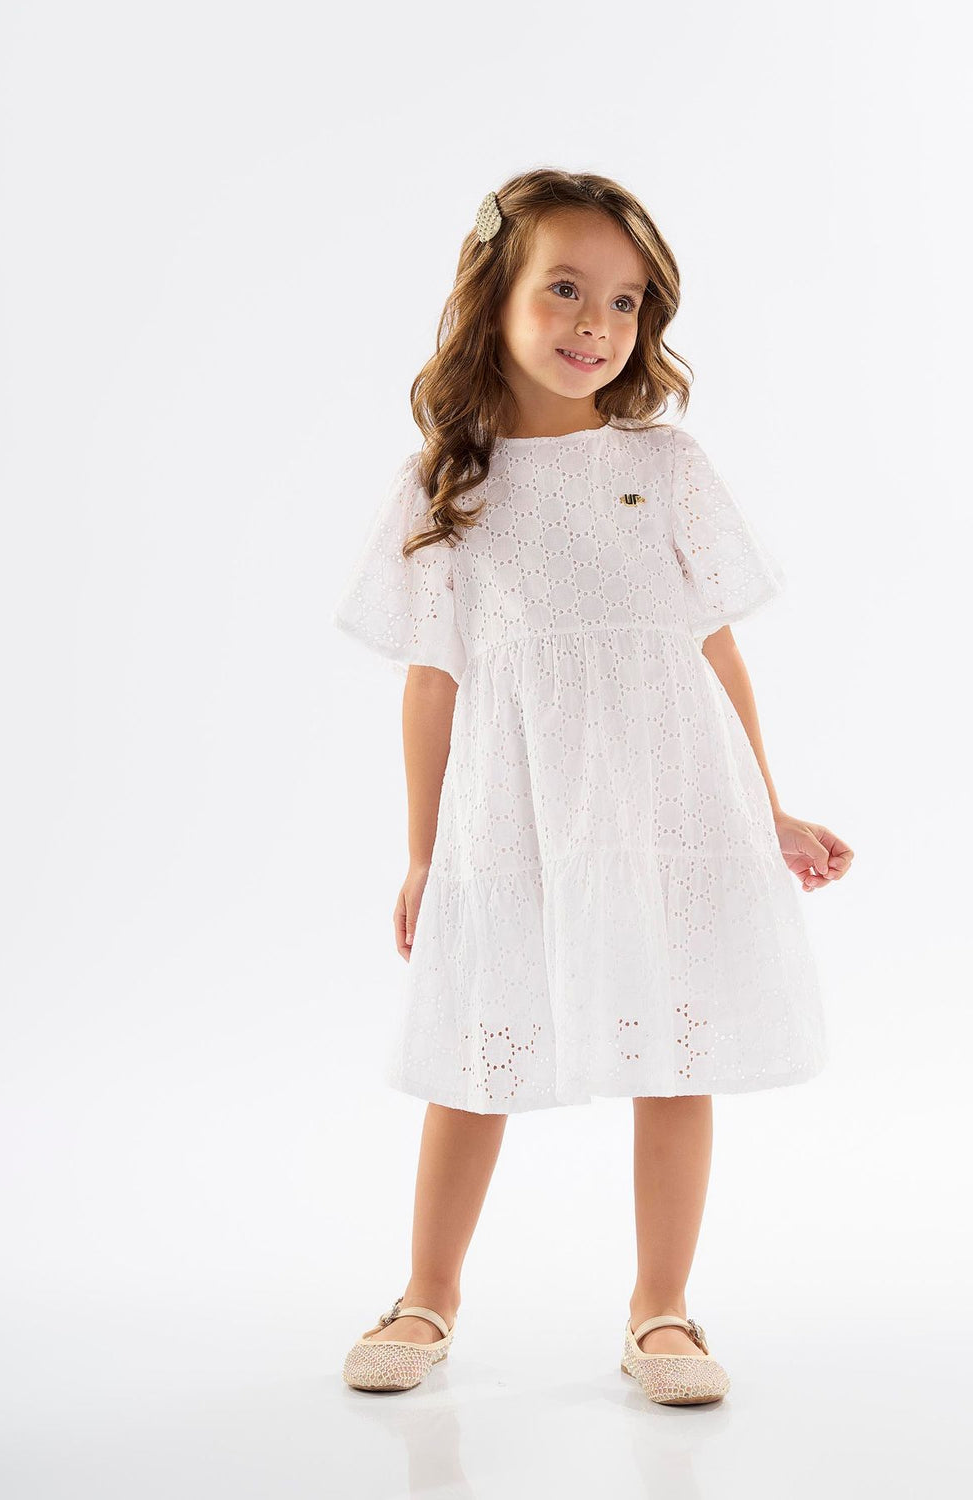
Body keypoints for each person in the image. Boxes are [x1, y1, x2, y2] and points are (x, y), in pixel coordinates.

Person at [331, 168, 854, 1403]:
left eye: (624, 303)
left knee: (676, 1048)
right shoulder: (445, 483)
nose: (595, 325)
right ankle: (427, 1294)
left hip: (673, 806)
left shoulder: (665, 465)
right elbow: (431, 681)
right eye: (564, 289)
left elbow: (712, 647)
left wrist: (767, 808)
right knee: (480, 1046)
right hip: (515, 815)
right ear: (493, 297)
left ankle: (660, 1310)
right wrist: (424, 852)